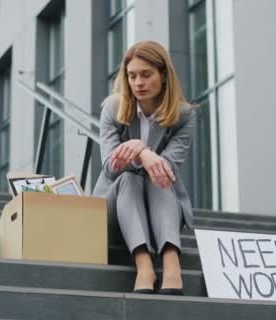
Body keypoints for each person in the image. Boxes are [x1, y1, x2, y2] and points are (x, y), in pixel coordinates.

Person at [93, 41, 196, 296]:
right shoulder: (113, 107)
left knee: (159, 176)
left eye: (146, 75)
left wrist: (145, 153)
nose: (138, 82)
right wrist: (141, 150)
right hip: (115, 209)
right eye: (132, 75)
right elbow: (110, 168)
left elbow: (167, 169)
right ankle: (143, 264)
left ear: (163, 75)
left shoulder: (184, 115)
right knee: (129, 177)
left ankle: (171, 261)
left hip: (160, 208)